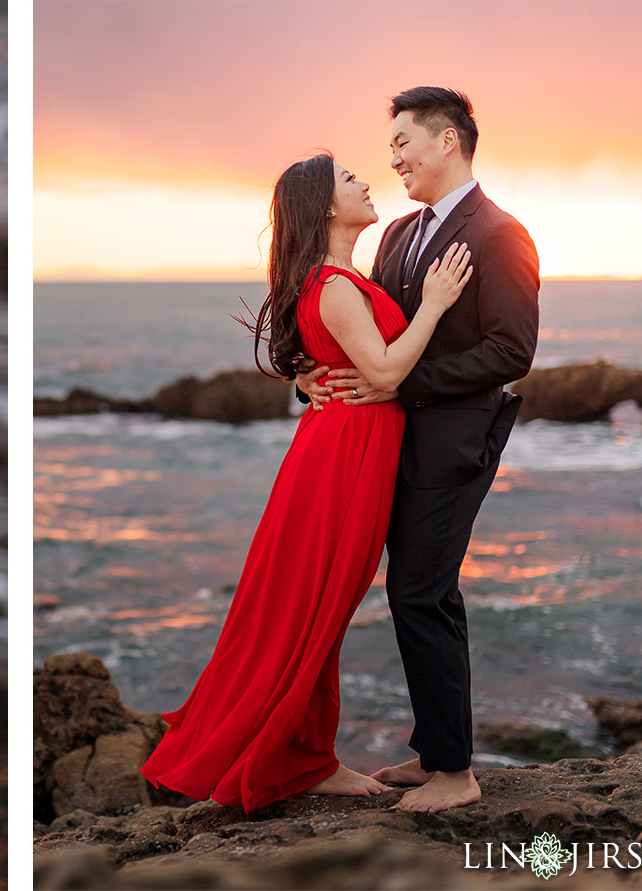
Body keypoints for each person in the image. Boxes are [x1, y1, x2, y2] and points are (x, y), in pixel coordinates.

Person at [138, 152, 473, 814]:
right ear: (324, 207)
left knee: (320, 610)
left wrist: (304, 375)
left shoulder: (342, 279)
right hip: (343, 463)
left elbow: (327, 356)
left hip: (344, 450)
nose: (367, 182)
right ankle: (296, 759)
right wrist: (434, 306)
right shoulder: (337, 285)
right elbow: (384, 371)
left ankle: (307, 756)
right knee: (314, 610)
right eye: (351, 180)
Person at [296, 87, 539, 812]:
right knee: (421, 592)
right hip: (394, 446)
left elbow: (511, 350)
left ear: (448, 142)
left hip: (456, 446)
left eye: (405, 141)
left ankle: (456, 775)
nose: (394, 156)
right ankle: (436, 750)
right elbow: (364, 333)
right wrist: (306, 374)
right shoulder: (397, 235)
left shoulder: (502, 233)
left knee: (419, 591)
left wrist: (404, 387)